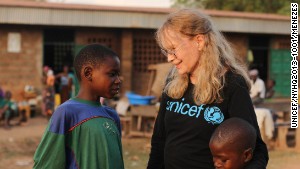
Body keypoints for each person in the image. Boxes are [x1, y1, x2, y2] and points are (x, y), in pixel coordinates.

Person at [147, 9, 268, 169]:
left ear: (199, 41)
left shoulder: (231, 84)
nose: (169, 58)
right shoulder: (173, 81)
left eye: (173, 49)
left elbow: (256, 149)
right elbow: (159, 141)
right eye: (166, 51)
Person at [33, 44, 124, 169]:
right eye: (112, 74)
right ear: (88, 73)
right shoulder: (66, 112)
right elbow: (47, 163)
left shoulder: (112, 116)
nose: (118, 80)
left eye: (118, 74)